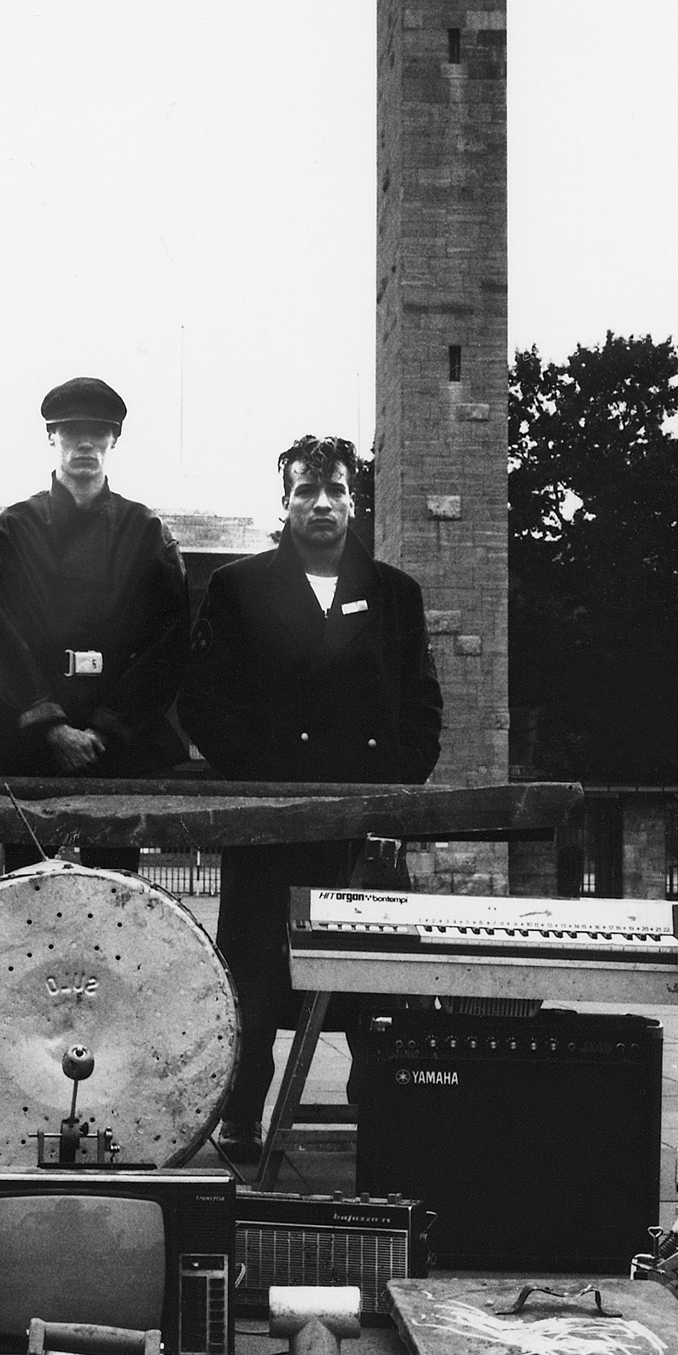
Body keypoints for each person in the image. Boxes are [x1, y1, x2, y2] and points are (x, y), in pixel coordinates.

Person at [180, 433, 442, 1156]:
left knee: (374, 980)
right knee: (254, 976)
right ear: (285, 501)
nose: (320, 504)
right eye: (305, 491)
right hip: (271, 819)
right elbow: (204, 701)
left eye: (333, 492)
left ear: (353, 502)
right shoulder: (237, 588)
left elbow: (420, 707)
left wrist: (396, 805)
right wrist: (258, 786)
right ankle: (239, 1115)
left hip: (367, 821)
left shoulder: (395, 593)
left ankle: (378, 1107)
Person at [0, 377, 192, 870]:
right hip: (28, 746)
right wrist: (49, 725)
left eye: (99, 430)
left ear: (115, 439)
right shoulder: (11, 531)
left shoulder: (148, 533)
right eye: (72, 431)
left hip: (118, 746)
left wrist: (108, 727)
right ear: (52, 437)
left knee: (115, 892)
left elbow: (168, 644)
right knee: (26, 890)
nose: (86, 442)